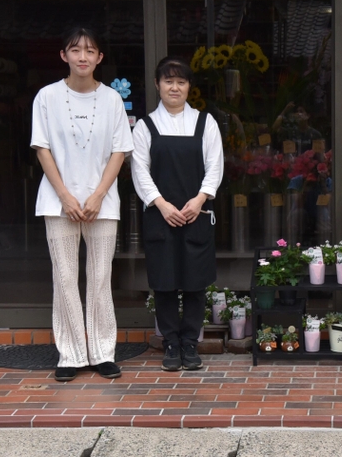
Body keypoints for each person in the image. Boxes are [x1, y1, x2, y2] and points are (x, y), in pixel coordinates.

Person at [31, 27, 133, 382]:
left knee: (101, 277)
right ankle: (71, 354)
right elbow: (42, 148)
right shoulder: (46, 97)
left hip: (101, 202)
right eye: (75, 50)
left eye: (90, 51)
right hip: (58, 201)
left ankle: (103, 352)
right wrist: (65, 196)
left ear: (100, 58)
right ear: (64, 56)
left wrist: (97, 195)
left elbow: (120, 151)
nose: (83, 57)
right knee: (65, 277)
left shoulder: (112, 100)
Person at [131, 56, 223, 372]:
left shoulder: (205, 122)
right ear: (157, 85)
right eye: (168, 81)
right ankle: (171, 342)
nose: (174, 87)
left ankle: (189, 342)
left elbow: (215, 166)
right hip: (161, 215)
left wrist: (199, 200)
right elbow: (139, 170)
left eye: (181, 81)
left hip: (196, 212)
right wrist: (160, 203)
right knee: (165, 282)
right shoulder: (145, 127)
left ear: (189, 87)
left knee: (196, 282)